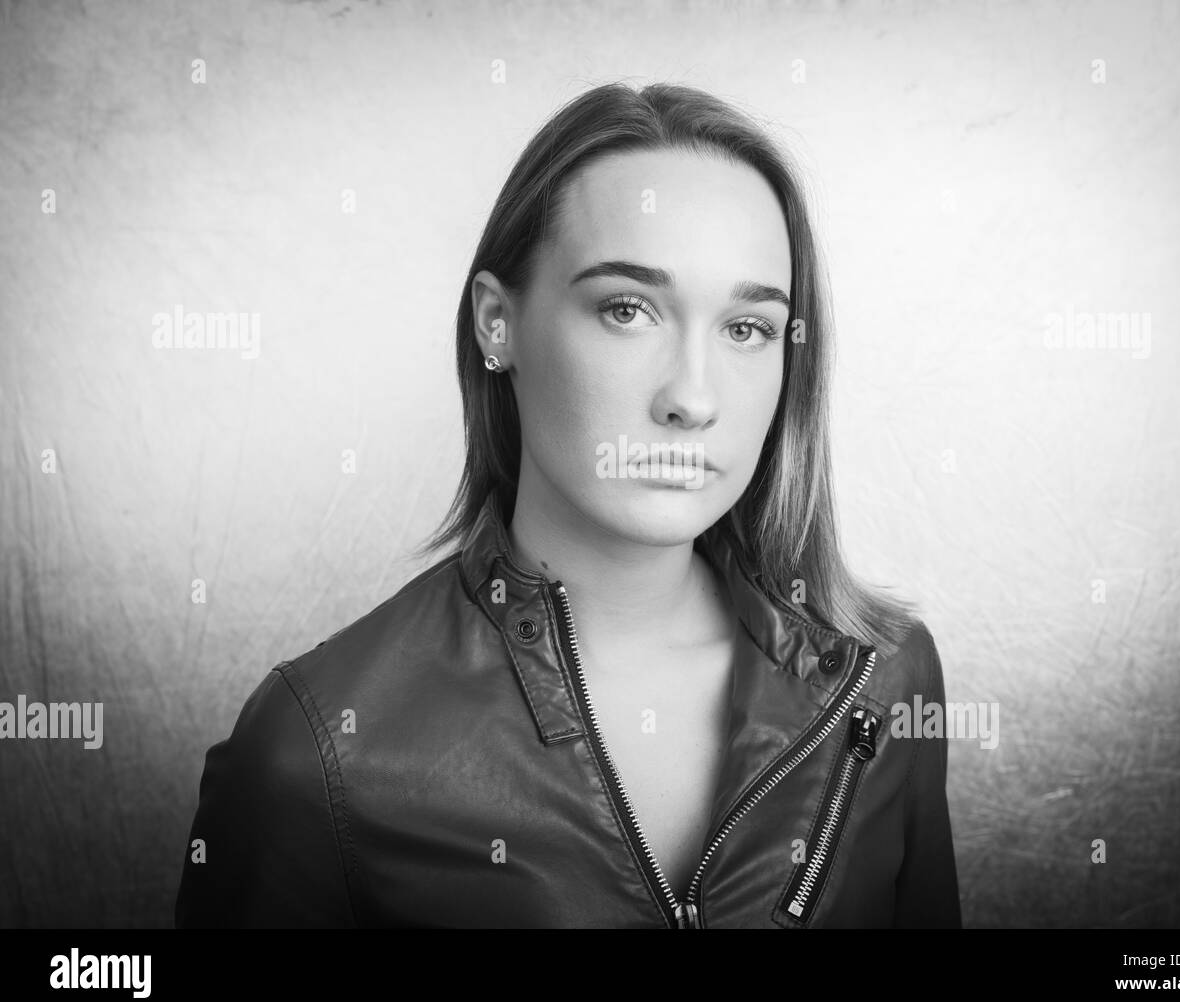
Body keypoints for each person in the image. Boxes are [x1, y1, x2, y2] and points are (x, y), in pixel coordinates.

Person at [174, 81, 961, 929]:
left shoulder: (884, 680)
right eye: (628, 310)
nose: (692, 399)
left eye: (747, 328)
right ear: (496, 324)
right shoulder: (316, 752)